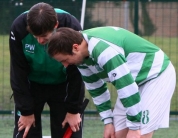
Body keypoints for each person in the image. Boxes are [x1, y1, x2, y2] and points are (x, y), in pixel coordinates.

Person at [47, 26, 176, 138]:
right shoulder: (80, 58)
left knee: (139, 135)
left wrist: (134, 127)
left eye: (64, 60)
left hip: (156, 75)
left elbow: (126, 87)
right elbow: (97, 90)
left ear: (75, 48)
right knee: (117, 134)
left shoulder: (104, 51)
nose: (65, 65)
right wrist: (108, 122)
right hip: (133, 82)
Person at [9, 2, 85, 138]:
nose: (39, 41)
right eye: (34, 35)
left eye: (44, 36)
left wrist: (74, 110)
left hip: (64, 86)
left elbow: (77, 71)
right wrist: (26, 111)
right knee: (25, 133)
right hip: (31, 87)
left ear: (55, 25)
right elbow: (18, 71)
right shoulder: (18, 27)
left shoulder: (71, 26)